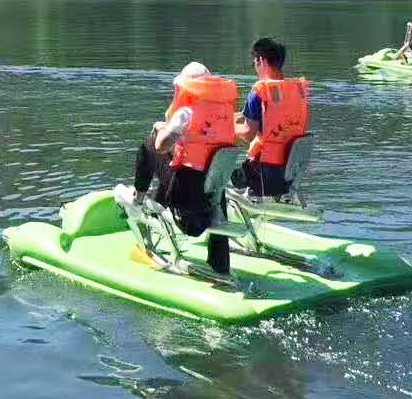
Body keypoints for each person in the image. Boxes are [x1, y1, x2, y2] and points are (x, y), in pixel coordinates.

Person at [127, 62, 240, 276]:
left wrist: (161, 127)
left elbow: (161, 145)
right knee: (213, 176)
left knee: (149, 145)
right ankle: (220, 264)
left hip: (185, 197)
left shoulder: (186, 113)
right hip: (212, 197)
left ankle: (138, 200)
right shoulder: (226, 114)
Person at [232, 38, 310, 198]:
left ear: (261, 60)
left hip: (264, 175)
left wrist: (225, 127)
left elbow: (248, 134)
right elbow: (269, 118)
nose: (255, 68)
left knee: (231, 174)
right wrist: (231, 117)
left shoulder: (259, 92)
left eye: (254, 63)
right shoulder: (296, 90)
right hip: (290, 173)